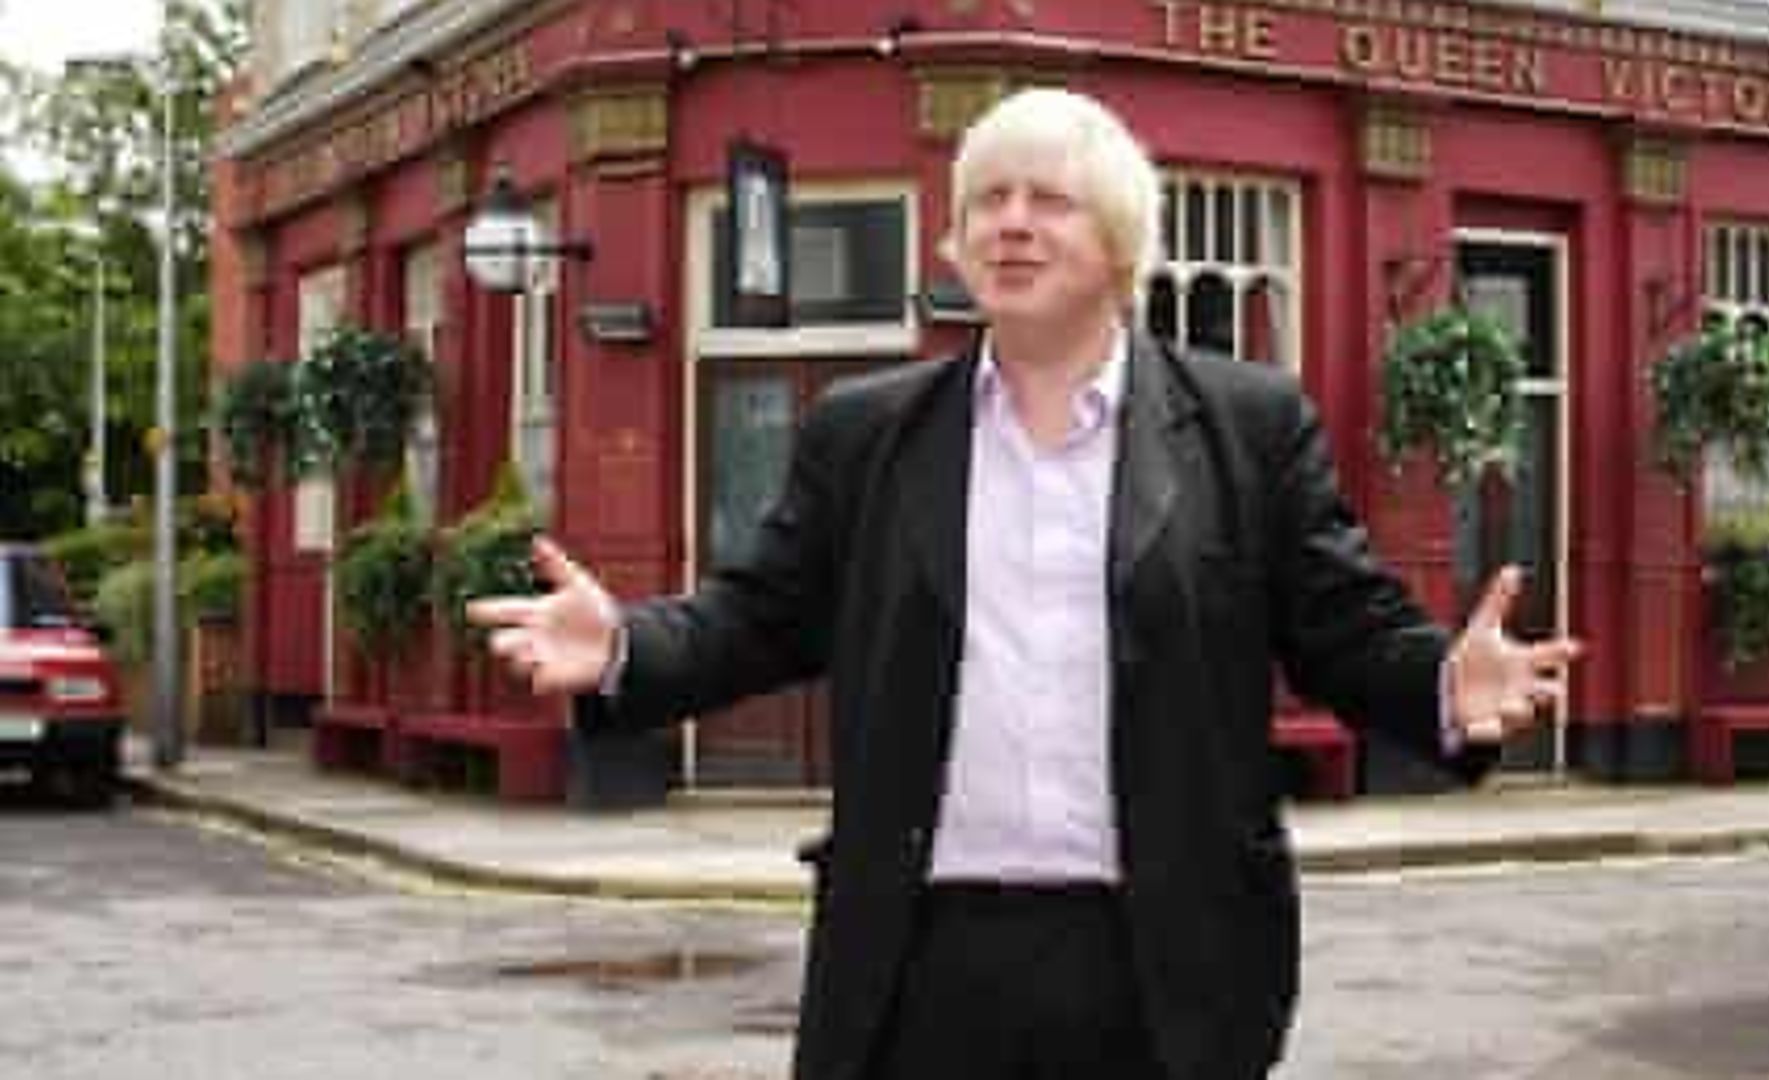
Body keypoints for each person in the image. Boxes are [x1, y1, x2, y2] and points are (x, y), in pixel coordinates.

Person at [469, 88, 1582, 1080]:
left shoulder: (1246, 429)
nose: (1008, 221)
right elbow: (755, 617)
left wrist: (1446, 684)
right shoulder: (868, 436)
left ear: (1121, 237)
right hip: (920, 963)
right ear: (953, 244)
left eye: (1046, 198)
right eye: (984, 200)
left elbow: (1346, 631)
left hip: (1160, 966)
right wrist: (620, 647)